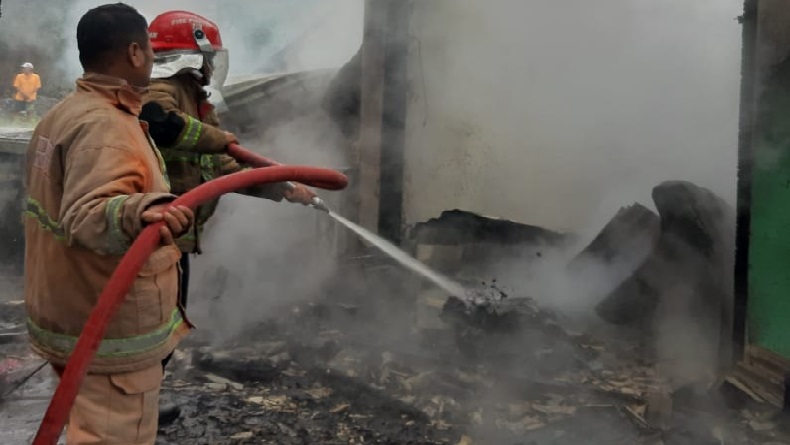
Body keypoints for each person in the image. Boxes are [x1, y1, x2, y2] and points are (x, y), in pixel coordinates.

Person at [24, 4, 194, 444]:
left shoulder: (64, 113)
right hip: (107, 327)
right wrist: (140, 211)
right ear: (134, 53)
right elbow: (86, 215)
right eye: (150, 48)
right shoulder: (105, 127)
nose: (153, 57)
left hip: (68, 312)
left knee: (87, 422)